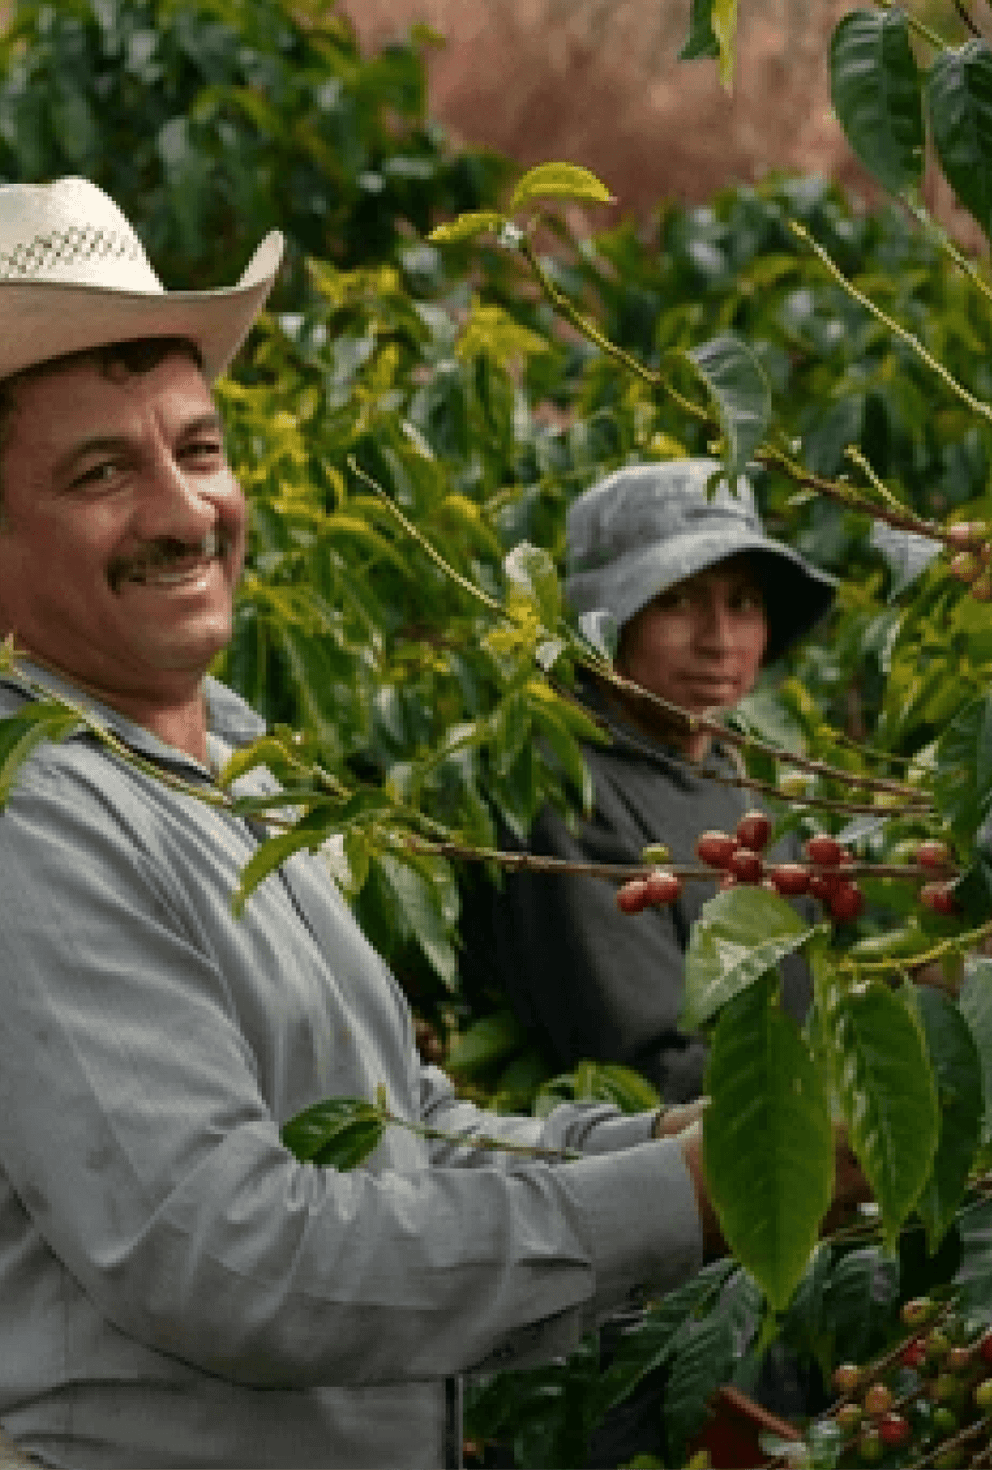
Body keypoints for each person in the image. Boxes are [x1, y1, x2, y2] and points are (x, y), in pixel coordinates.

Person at [0, 178, 863, 1470]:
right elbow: (235, 1258)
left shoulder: (227, 761)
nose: (183, 512)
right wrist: (680, 1197)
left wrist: (673, 1143)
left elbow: (397, 1127)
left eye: (198, 447)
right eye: (99, 471)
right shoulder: (35, 818)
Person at [458, 460, 836, 1103]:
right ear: (606, 626)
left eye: (742, 602)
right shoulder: (570, 796)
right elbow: (653, 1066)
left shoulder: (742, 767)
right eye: (674, 600)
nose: (719, 642)